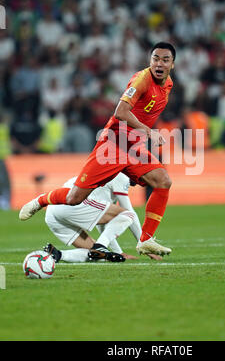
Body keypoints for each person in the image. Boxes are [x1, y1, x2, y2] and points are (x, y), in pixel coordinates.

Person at [19, 42, 176, 256]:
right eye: (155, 58)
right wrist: (147, 131)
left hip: (132, 148)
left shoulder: (168, 85)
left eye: (164, 60)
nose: (159, 63)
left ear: (172, 65)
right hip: (112, 145)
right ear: (150, 61)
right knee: (75, 198)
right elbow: (121, 111)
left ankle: (146, 240)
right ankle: (42, 200)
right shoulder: (142, 79)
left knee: (163, 181)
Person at [44, 172, 162, 263]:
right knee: (128, 215)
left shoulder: (109, 174)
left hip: (53, 212)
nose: (143, 180)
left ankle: (57, 254)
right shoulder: (121, 175)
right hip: (71, 205)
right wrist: (145, 245)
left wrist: (118, 252)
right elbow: (129, 213)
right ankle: (100, 248)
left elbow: (101, 222)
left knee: (101, 256)